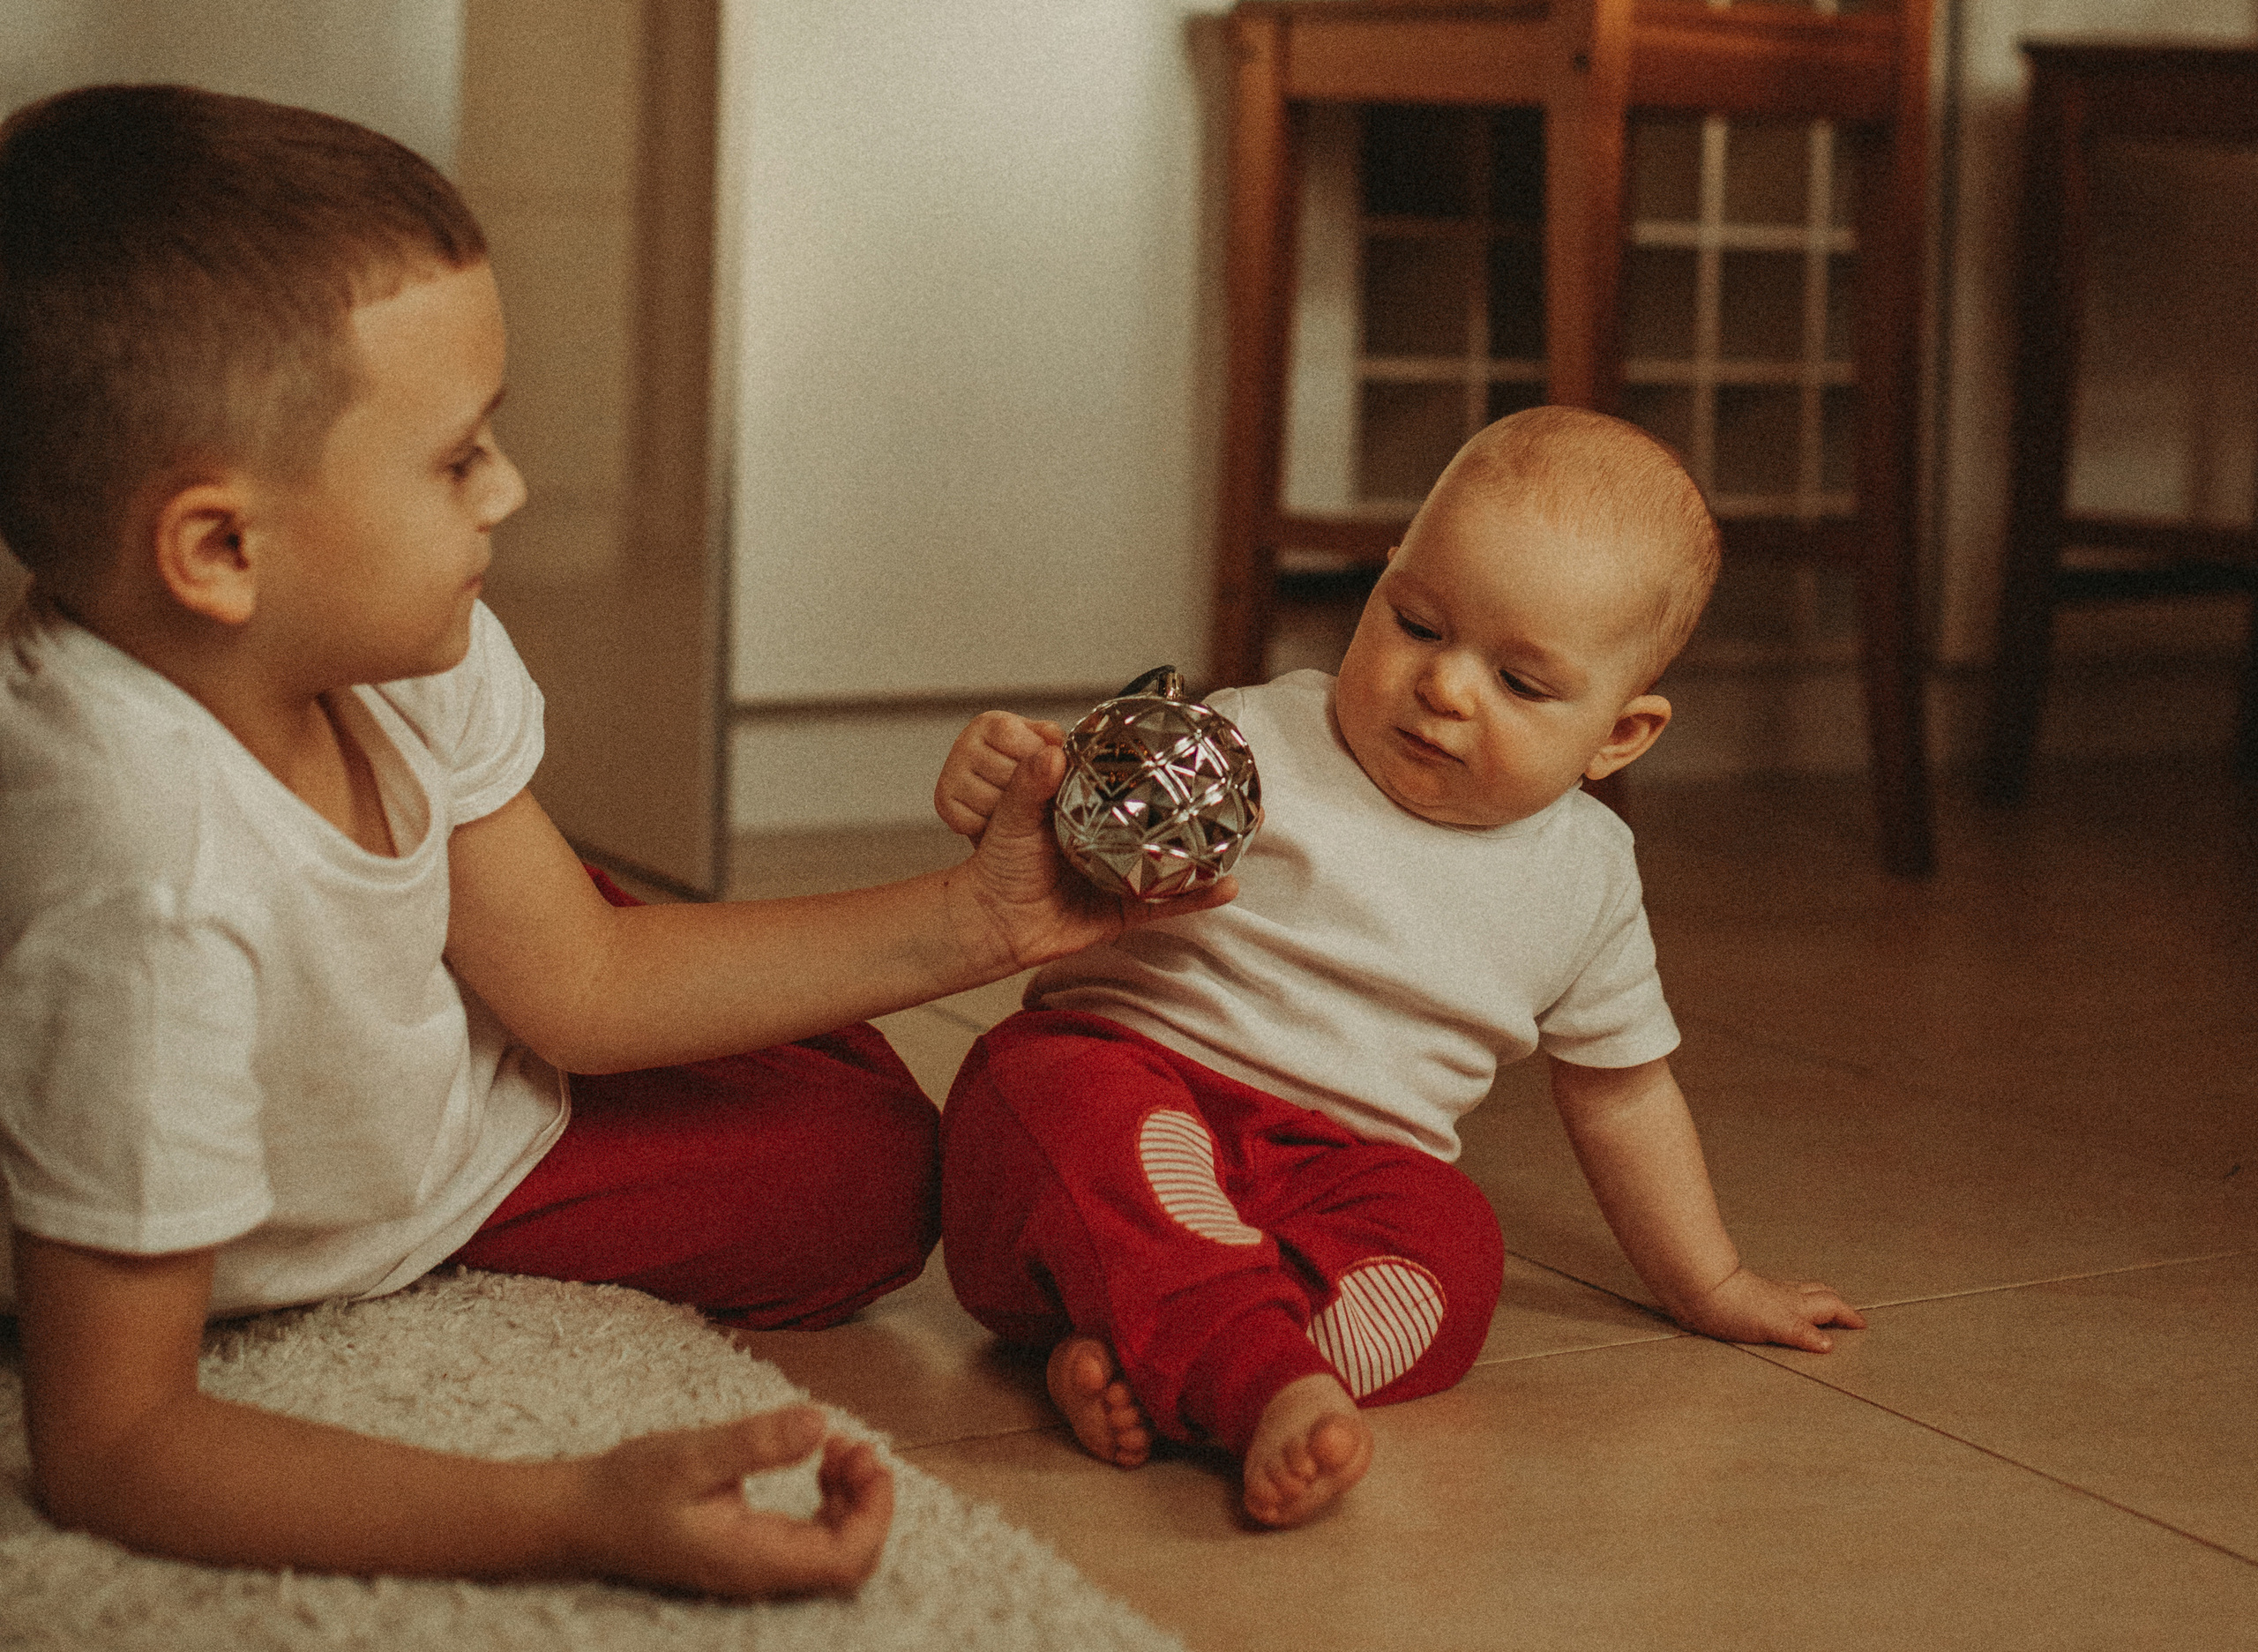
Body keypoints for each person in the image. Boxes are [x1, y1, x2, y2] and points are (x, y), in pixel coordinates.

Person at [0, 86, 1224, 1599]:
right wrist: (574, 1511)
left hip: (448, 1050)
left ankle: (471, 964)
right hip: (330, 1177)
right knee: (865, 1176)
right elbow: (116, 1440)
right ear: (220, 548)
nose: (511, 489)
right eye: (457, 460)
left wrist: (987, 917)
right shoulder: (145, 893)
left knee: (852, 1103)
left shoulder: (393, 641)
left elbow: (578, 980)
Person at [933, 406, 1866, 1529]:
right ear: (1377, 585)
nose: (1446, 686)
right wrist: (1011, 793)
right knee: (1060, 1093)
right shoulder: (1250, 739)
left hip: (1332, 1173)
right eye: (1416, 623)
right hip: (1134, 1089)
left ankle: (1165, 1353)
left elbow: (1621, 1094)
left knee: (1452, 1249)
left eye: (1521, 684)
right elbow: (1086, 836)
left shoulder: (1588, 877)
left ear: (1619, 736)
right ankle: (1249, 1373)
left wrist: (1707, 1281)